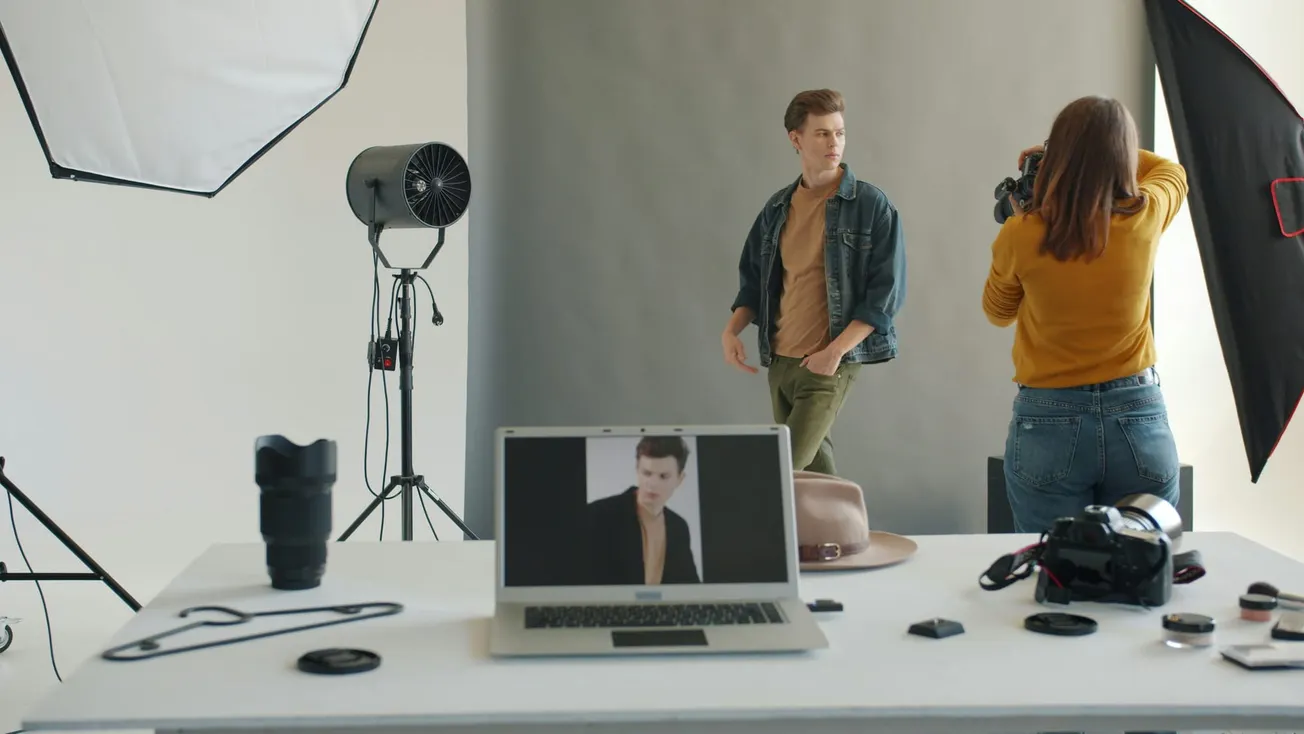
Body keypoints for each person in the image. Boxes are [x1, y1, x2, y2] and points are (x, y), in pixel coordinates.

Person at [983, 95, 1189, 534]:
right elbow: (1173, 173)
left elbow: (997, 312)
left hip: (1048, 419)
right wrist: (1109, 150)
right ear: (1123, 156)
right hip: (1138, 416)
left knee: (1053, 571)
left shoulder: (1021, 232)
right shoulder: (1146, 215)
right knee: (1142, 572)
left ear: (1060, 154)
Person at [722, 88, 907, 475]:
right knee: (816, 476)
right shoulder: (776, 209)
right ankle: (835, 537)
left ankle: (758, 535)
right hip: (781, 361)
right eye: (822, 133)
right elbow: (753, 282)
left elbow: (884, 296)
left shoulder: (871, 206)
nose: (833, 142)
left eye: (839, 132)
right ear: (796, 139)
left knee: (783, 469)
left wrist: (836, 352)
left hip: (829, 360)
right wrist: (732, 330)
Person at [587, 436, 700, 585]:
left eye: (663, 476)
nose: (652, 484)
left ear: (680, 479)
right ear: (637, 470)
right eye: (647, 473)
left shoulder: (679, 527)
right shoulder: (597, 514)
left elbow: (691, 588)